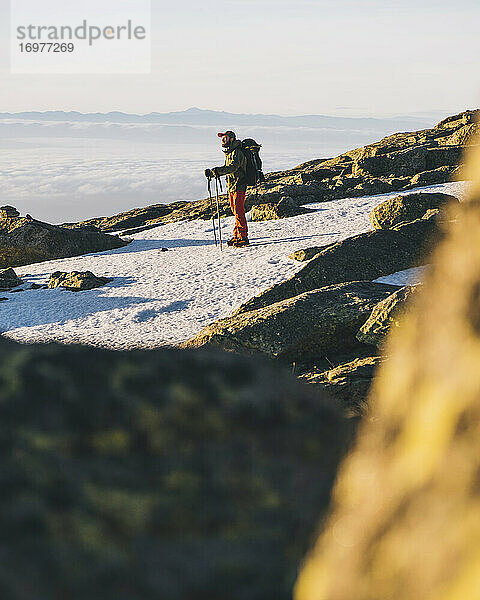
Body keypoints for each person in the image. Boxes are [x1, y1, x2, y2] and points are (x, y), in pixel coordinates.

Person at [205, 131, 249, 247]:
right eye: (222, 138)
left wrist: (217, 171)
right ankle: (237, 235)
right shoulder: (229, 152)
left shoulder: (236, 152)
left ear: (232, 139)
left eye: (225, 138)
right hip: (232, 186)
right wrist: (213, 173)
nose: (223, 140)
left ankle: (243, 237)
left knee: (239, 211)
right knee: (236, 211)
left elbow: (233, 168)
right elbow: (228, 168)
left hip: (239, 185)